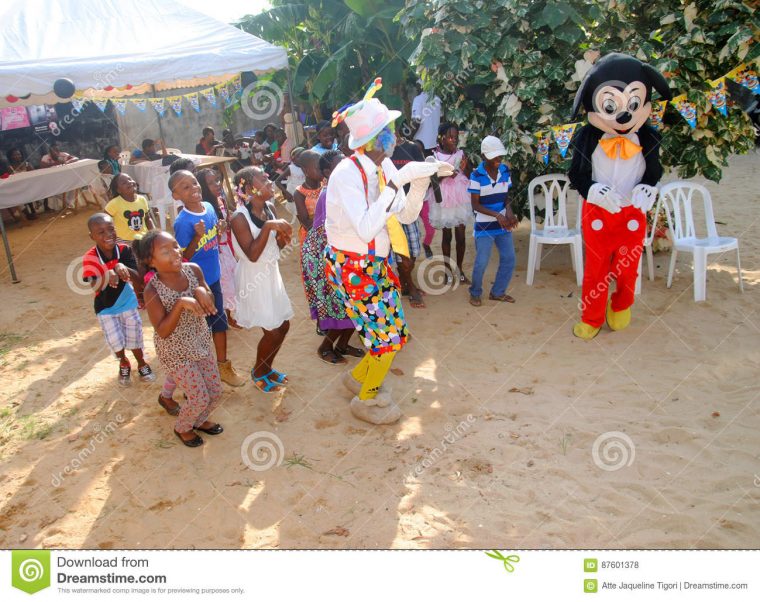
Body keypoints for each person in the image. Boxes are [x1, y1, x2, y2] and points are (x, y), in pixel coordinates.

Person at [326, 77, 451, 424]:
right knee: (387, 340)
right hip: (353, 267)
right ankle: (367, 399)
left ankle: (356, 379)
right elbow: (366, 227)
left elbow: (407, 214)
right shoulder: (345, 175)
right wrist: (399, 180)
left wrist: (422, 177)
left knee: (395, 333)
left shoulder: (384, 166)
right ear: (379, 138)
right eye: (391, 129)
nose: (396, 134)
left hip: (376, 264)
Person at [134, 230, 224, 448]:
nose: (175, 252)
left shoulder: (193, 269)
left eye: (175, 245)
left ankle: (199, 420)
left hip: (201, 342)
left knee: (215, 392)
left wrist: (203, 291)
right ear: (151, 261)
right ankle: (182, 427)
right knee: (199, 397)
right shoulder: (152, 289)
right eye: (165, 251)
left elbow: (209, 303)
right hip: (175, 352)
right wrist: (181, 302)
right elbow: (163, 331)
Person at [170, 170, 245, 387]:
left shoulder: (210, 208)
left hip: (214, 279)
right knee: (197, 332)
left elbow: (215, 234)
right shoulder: (182, 222)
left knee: (220, 324)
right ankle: (195, 375)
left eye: (194, 183)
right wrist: (197, 237)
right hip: (194, 286)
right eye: (185, 187)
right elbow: (183, 257)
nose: (193, 188)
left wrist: (219, 228)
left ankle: (223, 366)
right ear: (176, 196)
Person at [230, 166, 294, 393]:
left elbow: (273, 246)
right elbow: (253, 254)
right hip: (253, 278)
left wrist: (284, 237)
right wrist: (269, 226)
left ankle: (267, 368)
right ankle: (258, 371)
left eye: (268, 176)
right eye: (262, 178)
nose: (269, 179)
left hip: (270, 274)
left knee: (283, 325)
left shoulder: (269, 207)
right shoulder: (239, 217)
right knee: (272, 330)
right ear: (248, 187)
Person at [301, 150, 364, 364]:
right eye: (339, 165)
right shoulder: (330, 193)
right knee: (340, 305)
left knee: (354, 304)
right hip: (323, 254)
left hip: (342, 252)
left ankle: (343, 345)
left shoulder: (347, 189)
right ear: (327, 172)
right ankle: (325, 347)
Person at [82, 213, 156, 386]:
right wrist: (106, 275)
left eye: (111, 229)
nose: (108, 234)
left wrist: (121, 266)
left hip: (128, 302)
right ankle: (123, 362)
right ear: (92, 236)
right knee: (116, 342)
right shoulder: (90, 257)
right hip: (105, 308)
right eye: (100, 232)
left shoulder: (124, 250)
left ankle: (142, 363)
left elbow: (138, 279)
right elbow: (95, 287)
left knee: (135, 337)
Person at [467, 136, 518, 306]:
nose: (498, 159)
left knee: (509, 258)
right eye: (494, 156)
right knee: (481, 261)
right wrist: (498, 215)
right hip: (484, 226)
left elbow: (506, 198)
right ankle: (475, 292)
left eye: (500, 156)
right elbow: (475, 205)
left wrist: (509, 213)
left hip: (503, 225)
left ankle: (498, 292)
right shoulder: (476, 175)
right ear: (484, 156)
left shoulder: (504, 171)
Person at [427, 123, 474, 283]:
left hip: (460, 196)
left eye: (456, 137)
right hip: (443, 198)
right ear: (441, 138)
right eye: (450, 137)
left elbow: (469, 175)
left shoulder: (461, 153)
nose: (454, 140)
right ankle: (447, 271)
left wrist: (465, 168)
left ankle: (460, 270)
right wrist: (446, 174)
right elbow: (431, 180)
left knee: (461, 235)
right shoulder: (435, 156)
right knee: (447, 235)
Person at [196, 167, 240, 329]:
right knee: (224, 284)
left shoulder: (220, 201)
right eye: (211, 183)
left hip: (226, 249)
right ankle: (227, 317)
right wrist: (217, 231)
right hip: (217, 252)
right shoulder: (204, 209)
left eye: (217, 180)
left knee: (231, 281)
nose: (217, 185)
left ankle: (230, 314)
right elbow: (203, 238)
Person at [390, 123, 427, 308]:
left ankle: (405, 283)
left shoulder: (411, 148)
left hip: (409, 207)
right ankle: (409, 286)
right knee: (398, 250)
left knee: (413, 249)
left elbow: (422, 174)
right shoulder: (381, 154)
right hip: (390, 210)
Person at [105, 174, 156, 243]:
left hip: (143, 239)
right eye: (124, 183)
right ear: (119, 190)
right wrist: (113, 237)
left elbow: (147, 219)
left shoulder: (142, 199)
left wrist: (154, 233)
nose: (129, 182)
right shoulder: (114, 204)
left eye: (130, 179)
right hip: (125, 242)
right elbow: (104, 223)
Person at [292, 150, 322, 244]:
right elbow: (306, 224)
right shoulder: (300, 194)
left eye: (322, 167)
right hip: (312, 240)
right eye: (318, 168)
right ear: (305, 170)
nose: (322, 171)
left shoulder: (326, 185)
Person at [6, 148, 38, 220]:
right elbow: (11, 180)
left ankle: (33, 210)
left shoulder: (27, 164)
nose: (17, 156)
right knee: (16, 197)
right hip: (17, 188)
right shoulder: (10, 168)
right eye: (15, 155)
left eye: (19, 154)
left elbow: (35, 174)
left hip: (29, 186)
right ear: (11, 157)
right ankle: (27, 213)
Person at [411, 83, 442, 154]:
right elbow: (442, 118)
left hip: (421, 145)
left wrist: (410, 137)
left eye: (417, 85)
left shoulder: (418, 99)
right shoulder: (437, 99)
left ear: (421, 86)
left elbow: (416, 121)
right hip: (435, 144)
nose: (416, 88)